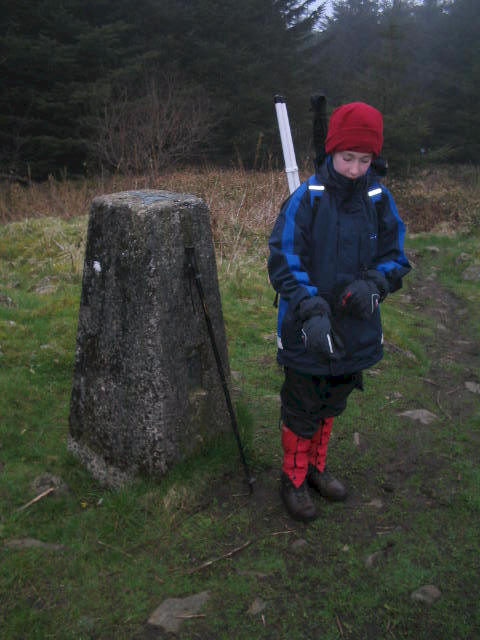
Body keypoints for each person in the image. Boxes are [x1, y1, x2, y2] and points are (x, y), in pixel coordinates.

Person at [268, 101, 411, 521]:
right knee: (302, 401)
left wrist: (376, 285)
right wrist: (311, 311)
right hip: (306, 326)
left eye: (364, 160)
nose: (354, 168)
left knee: (334, 399)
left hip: (356, 328)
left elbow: (396, 256)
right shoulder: (306, 200)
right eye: (348, 158)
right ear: (331, 152)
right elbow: (284, 260)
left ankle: (315, 468)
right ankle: (292, 478)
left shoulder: (380, 199)